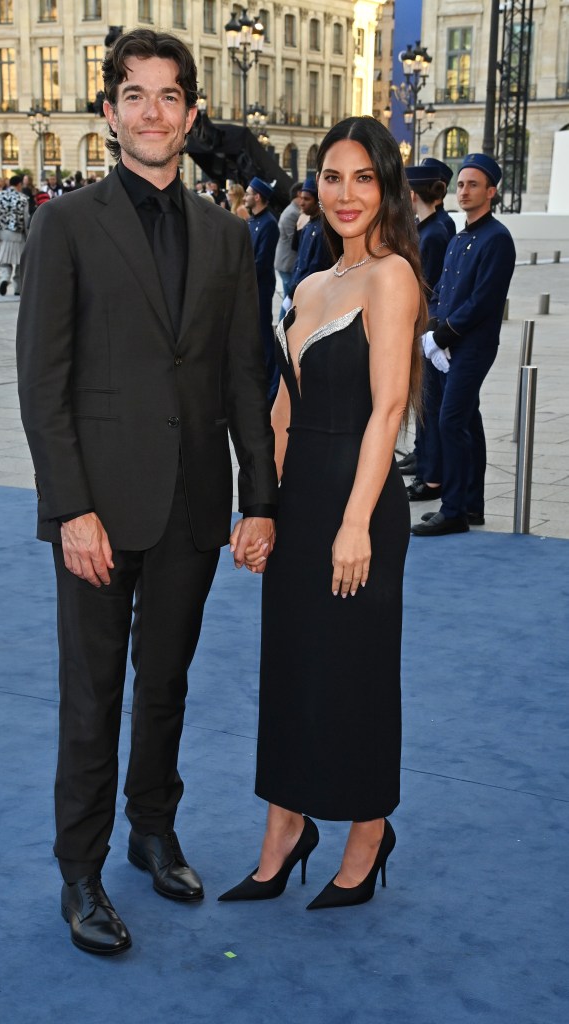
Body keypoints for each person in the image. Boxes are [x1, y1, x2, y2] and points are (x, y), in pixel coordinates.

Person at [16, 28, 277, 957]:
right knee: (91, 696)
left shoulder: (227, 233)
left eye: (170, 97)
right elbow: (42, 384)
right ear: (109, 112)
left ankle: (151, 829)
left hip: (193, 505)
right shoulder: (65, 223)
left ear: (191, 114)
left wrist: (260, 499)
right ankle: (79, 873)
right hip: (97, 508)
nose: (154, 112)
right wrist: (68, 509)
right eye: (135, 95)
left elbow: (245, 377)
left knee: (163, 682)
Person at [219, 115, 425, 911]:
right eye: (332, 177)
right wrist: (259, 508)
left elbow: (388, 408)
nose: (345, 194)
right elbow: (279, 409)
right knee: (292, 669)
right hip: (299, 497)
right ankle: (284, 827)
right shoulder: (309, 284)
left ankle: (367, 832)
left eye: (362, 178)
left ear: (386, 188)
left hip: (356, 498)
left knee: (355, 674)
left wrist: (353, 522)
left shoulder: (391, 276)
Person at [411, 153, 516, 536]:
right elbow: (442, 290)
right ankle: (472, 505)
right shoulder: (460, 235)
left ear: (491, 191)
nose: (464, 190)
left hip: (472, 346)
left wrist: (441, 336)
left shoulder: (497, 238)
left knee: (451, 420)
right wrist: (431, 327)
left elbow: (482, 301)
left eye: (473, 184)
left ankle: (454, 508)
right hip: (448, 343)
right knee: (467, 420)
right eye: (461, 184)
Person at [403, 163, 454, 504]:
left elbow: (427, 283)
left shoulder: (435, 231)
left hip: (426, 326)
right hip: (422, 323)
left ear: (413, 194)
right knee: (425, 401)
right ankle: (425, 461)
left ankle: (430, 475)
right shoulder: (428, 226)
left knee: (430, 402)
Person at [245, 177, 280, 403]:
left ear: (257, 197)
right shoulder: (251, 221)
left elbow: (261, 262)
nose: (246, 197)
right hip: (248, 287)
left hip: (260, 288)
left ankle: (269, 378)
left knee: (263, 332)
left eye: (248, 193)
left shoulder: (268, 223)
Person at [286, 175, 332, 298]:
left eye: (306, 199)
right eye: (300, 198)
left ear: (318, 201)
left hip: (309, 293)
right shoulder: (307, 225)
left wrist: (295, 291)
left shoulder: (323, 230)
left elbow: (315, 268)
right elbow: (299, 258)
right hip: (298, 289)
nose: (301, 203)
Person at [0, 175, 29, 297]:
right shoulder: (22, 198)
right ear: (19, 185)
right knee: (19, 261)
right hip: (17, 233)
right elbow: (26, 217)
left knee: (4, 260)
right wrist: (28, 233)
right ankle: (18, 287)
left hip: (2, 232)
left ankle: (4, 279)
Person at [274, 181, 303, 320]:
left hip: (285, 262)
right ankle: (281, 328)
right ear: (299, 194)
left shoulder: (292, 210)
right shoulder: (293, 213)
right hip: (288, 263)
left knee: (288, 300)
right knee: (289, 301)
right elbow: (296, 241)